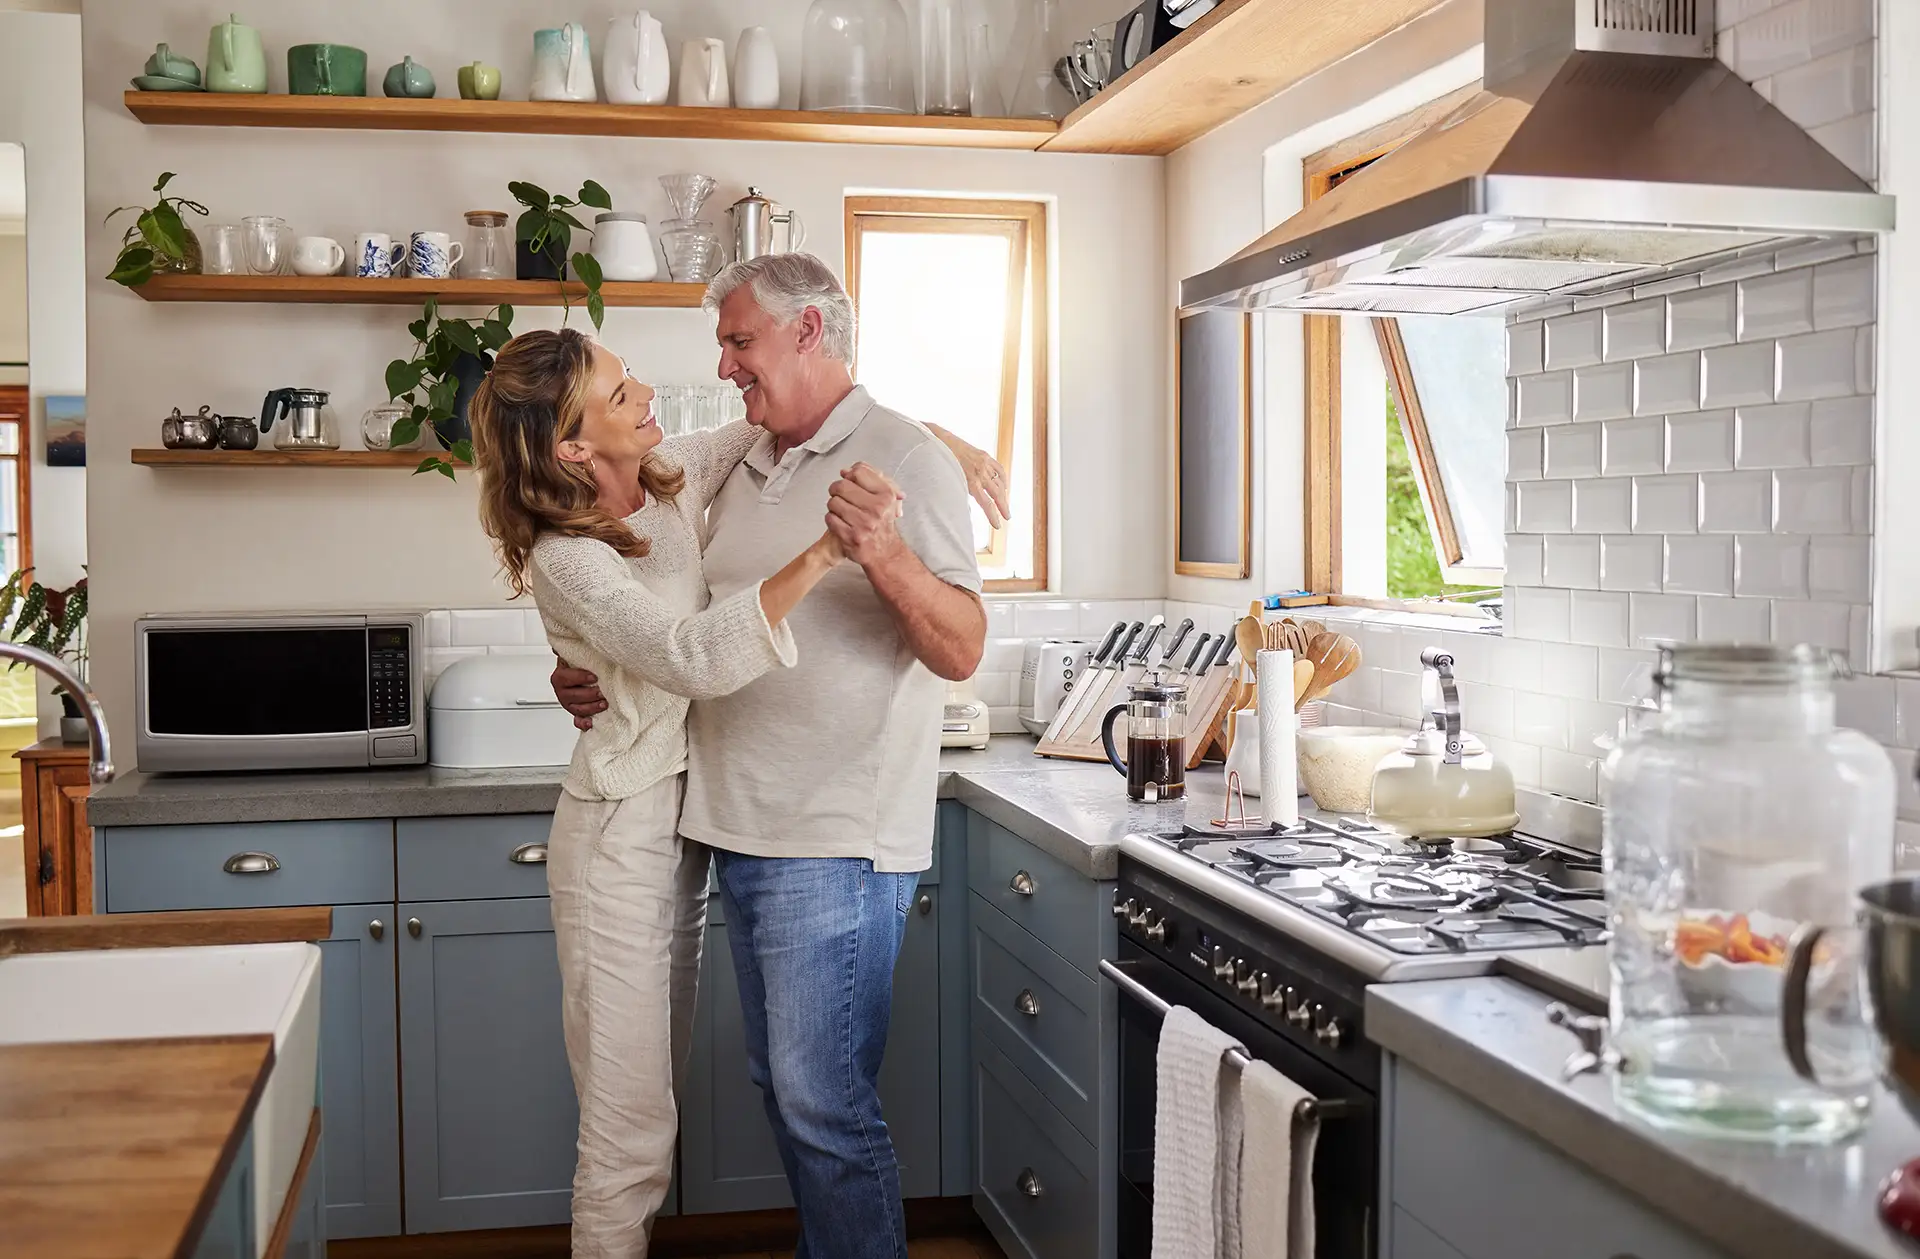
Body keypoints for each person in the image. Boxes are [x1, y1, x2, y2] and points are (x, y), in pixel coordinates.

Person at [468, 326, 995, 1259]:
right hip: (620, 842)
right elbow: (690, 655)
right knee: (629, 1131)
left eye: (629, 377)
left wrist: (945, 442)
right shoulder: (569, 557)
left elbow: (810, 422)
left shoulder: (667, 477)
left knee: (668, 1106)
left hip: (681, 830)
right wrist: (828, 550)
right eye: (617, 392)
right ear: (571, 448)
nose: (645, 394)